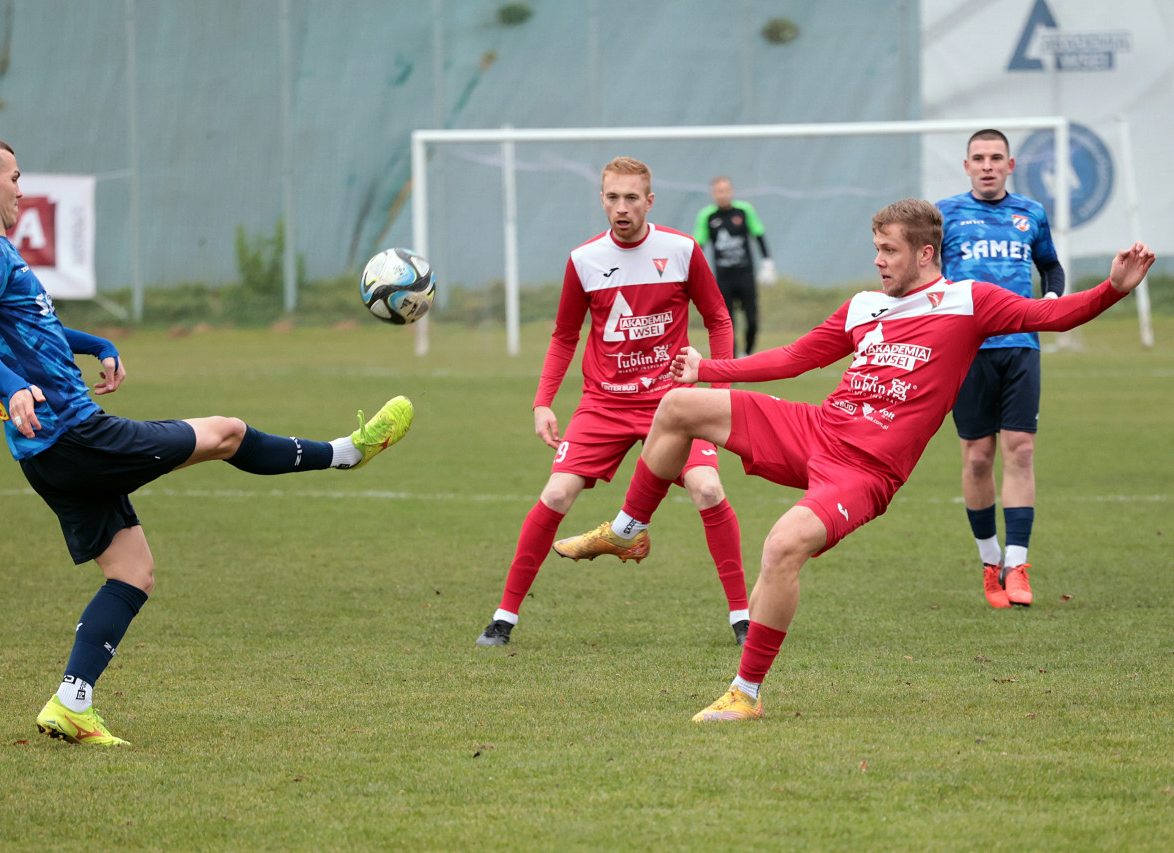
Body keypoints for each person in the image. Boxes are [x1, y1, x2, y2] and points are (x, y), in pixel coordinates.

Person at [560, 198, 1152, 721]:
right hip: (815, 428)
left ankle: (745, 691)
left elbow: (1050, 315)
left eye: (888, 251)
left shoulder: (971, 302)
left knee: (782, 544)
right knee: (680, 405)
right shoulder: (865, 305)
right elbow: (796, 358)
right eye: (876, 249)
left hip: (863, 471)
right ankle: (629, 531)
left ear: (925, 254)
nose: (878, 261)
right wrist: (708, 370)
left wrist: (1114, 289)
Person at [0, 135, 414, 746]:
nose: (19, 187)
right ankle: (348, 452)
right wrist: (11, 387)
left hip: (48, 456)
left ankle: (72, 702)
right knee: (228, 433)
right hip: (78, 437)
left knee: (132, 572)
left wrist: (96, 345)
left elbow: (32, 323)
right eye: (12, 177)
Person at [474, 156, 750, 648]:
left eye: (631, 198)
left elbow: (719, 319)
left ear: (649, 200)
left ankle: (742, 618)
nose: (621, 208)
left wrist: (719, 390)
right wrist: (543, 401)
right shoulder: (584, 260)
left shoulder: (682, 250)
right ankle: (503, 618)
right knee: (556, 495)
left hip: (674, 404)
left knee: (708, 489)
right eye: (612, 197)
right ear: (601, 199)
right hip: (603, 404)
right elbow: (564, 336)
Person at [936, 129, 1065, 609]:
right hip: (966, 349)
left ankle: (1017, 564)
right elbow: (923, 272)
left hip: (1021, 346)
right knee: (977, 458)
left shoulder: (1030, 212)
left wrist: (1050, 300)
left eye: (996, 158)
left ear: (1010, 165)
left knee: (1022, 451)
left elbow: (1050, 266)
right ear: (966, 166)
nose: (987, 165)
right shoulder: (943, 214)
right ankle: (990, 563)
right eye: (978, 158)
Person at [693, 176, 777, 357]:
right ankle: (733, 361)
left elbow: (759, 235)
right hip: (723, 278)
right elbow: (698, 246)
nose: (721, 195)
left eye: (725, 191)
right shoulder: (707, 216)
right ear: (713, 194)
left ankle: (746, 352)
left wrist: (767, 263)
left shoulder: (744, 211)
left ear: (731, 191)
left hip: (745, 275)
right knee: (727, 322)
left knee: (752, 320)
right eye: (718, 191)